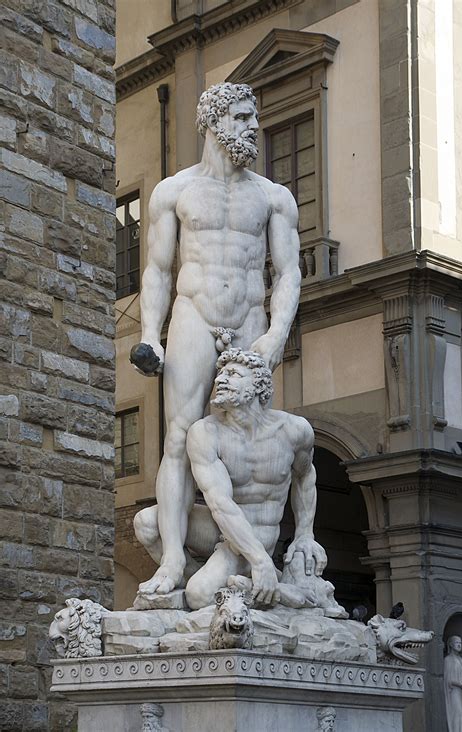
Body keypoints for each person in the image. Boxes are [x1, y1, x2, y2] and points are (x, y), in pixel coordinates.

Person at [132, 82, 301, 596]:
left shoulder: (274, 197)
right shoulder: (174, 191)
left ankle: (250, 558)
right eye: (245, 117)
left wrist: (275, 335)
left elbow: (289, 272)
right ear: (213, 121)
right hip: (193, 316)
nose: (254, 126)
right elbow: (158, 271)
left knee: (248, 438)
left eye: (255, 117)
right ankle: (172, 563)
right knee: (180, 439)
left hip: (249, 320)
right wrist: (149, 337)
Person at [135, 349, 326, 609]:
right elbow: (219, 503)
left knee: (199, 596)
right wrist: (260, 562)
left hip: (259, 531)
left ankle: (265, 589)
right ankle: (215, 582)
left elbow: (305, 476)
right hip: (221, 524)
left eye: (233, 374)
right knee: (146, 522)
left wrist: (305, 533)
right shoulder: (205, 432)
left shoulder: (294, 431)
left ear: (259, 385)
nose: (220, 380)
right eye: (220, 373)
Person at [444, 635, 462, 732]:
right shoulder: (447, 660)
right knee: (457, 714)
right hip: (455, 692)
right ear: (451, 644)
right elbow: (448, 679)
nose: (459, 645)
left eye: (460, 643)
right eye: (457, 643)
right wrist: (461, 684)